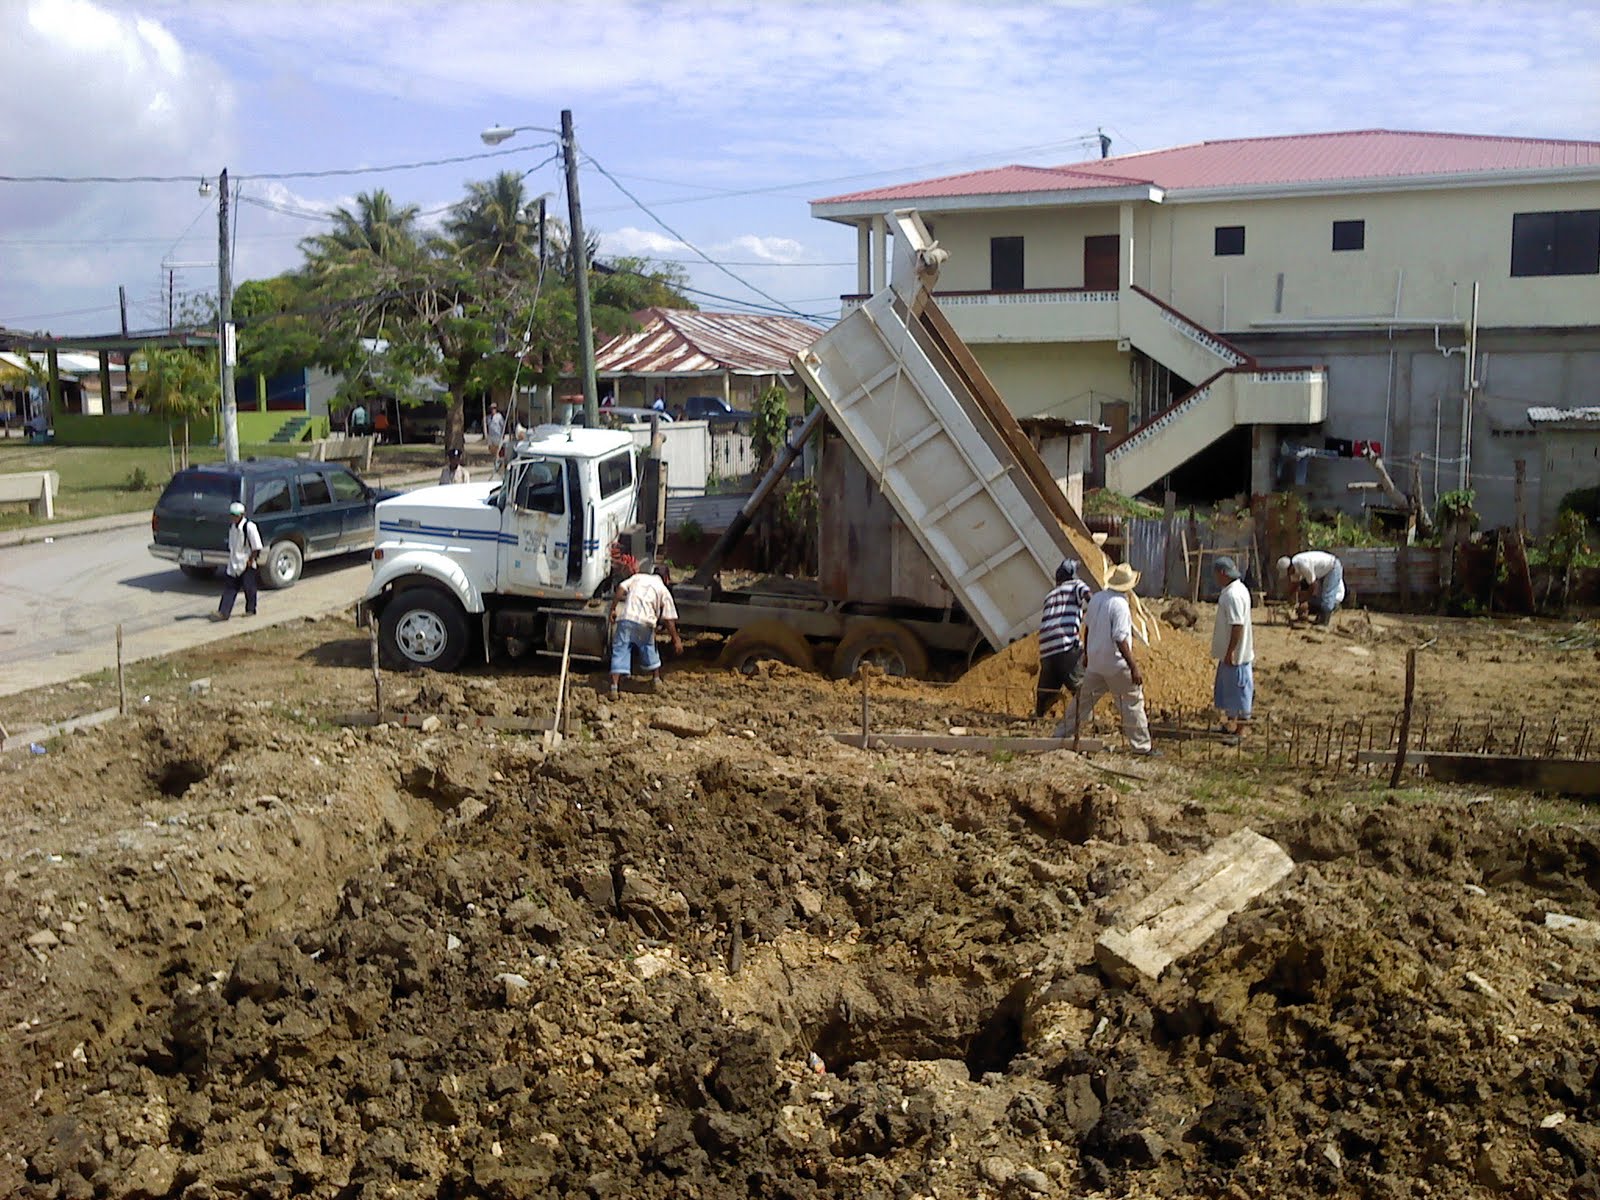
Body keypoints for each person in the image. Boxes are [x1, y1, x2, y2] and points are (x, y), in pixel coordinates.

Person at [1055, 562, 1155, 754]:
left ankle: (1060, 735)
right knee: (1131, 703)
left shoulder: (1097, 598)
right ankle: (1142, 747)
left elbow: (1088, 627)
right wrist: (1133, 666)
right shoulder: (1120, 605)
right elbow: (1120, 638)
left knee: (1082, 702)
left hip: (1095, 663)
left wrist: (1087, 654)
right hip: (1116, 665)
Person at [607, 562, 682, 700]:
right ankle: (656, 681)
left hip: (627, 619)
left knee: (619, 651)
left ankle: (613, 688)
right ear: (666, 578)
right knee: (649, 649)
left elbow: (621, 588)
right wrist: (676, 639)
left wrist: (613, 608)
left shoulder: (638, 577)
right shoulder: (663, 589)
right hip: (645, 623)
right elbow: (669, 618)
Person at [1036, 558, 1091, 718]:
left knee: (1046, 689)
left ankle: (1039, 715)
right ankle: (1085, 720)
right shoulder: (1076, 585)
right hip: (1066, 645)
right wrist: (1096, 613)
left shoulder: (1050, 595)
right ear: (1073, 575)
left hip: (1046, 649)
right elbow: (1089, 597)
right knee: (1081, 684)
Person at [1210, 556, 1255, 734]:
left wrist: (1231, 651)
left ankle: (1240, 730)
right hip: (1231, 654)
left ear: (1222, 574)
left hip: (1237, 655)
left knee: (1240, 694)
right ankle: (1232, 723)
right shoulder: (1235, 590)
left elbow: (1237, 625)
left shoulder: (1233, 595)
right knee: (1230, 692)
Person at [212, 502, 262, 622]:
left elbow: (257, 546)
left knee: (249, 588)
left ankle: (251, 609)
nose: (233, 518)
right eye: (232, 515)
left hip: (246, 563)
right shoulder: (232, 528)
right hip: (234, 563)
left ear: (242, 514)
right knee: (230, 588)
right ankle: (224, 612)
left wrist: (251, 560)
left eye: (236, 515)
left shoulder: (249, 527)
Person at [1279, 549, 1345, 625]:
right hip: (1322, 571)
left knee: (1327, 596)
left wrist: (1305, 601)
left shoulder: (1304, 564)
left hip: (1332, 567)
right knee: (1320, 596)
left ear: (1290, 568)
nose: (1288, 576)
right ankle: (1319, 618)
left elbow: (1313, 586)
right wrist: (1288, 600)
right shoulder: (1294, 568)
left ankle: (1324, 622)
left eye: (1287, 573)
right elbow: (1294, 585)